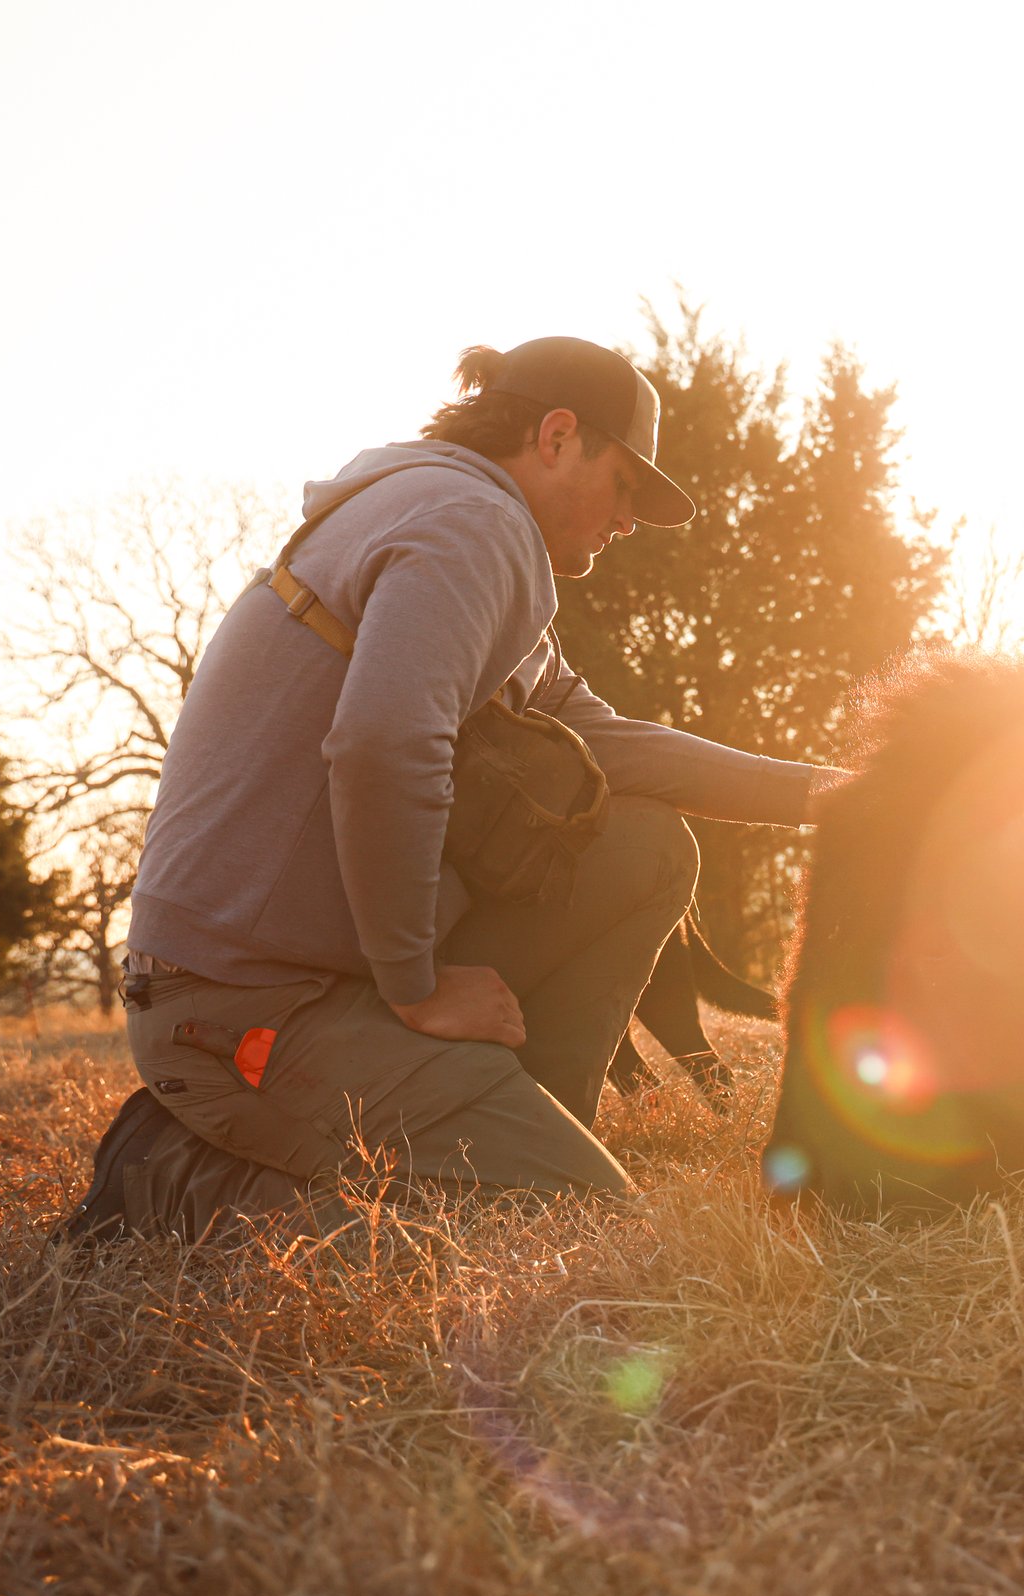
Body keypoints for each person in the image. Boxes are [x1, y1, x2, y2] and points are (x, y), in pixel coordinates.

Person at [61, 336, 837, 1240]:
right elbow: (383, 742)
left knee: (645, 847)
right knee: (558, 1216)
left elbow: (619, 747)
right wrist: (416, 983)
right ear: (555, 437)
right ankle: (170, 1176)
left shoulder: (448, 521)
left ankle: (528, 1124)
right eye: (626, 486)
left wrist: (845, 795)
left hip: (311, 981)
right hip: (245, 1007)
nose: (628, 522)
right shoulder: (472, 522)